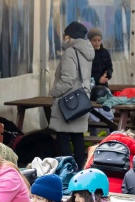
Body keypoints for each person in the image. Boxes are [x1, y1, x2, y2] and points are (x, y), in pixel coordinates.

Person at [49, 21, 94, 170]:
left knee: (62, 136)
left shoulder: (70, 51)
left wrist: (54, 92)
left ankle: (68, 169)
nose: (63, 37)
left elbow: (68, 79)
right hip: (81, 99)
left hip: (68, 101)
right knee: (77, 136)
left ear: (70, 36)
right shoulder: (86, 51)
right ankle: (81, 168)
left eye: (65, 34)